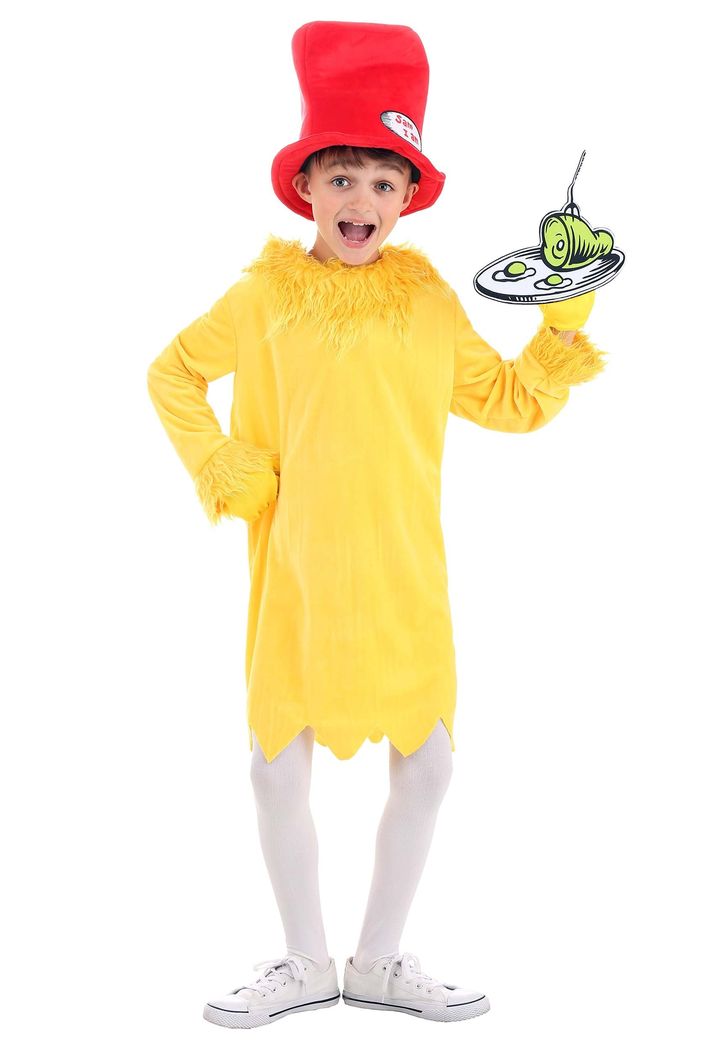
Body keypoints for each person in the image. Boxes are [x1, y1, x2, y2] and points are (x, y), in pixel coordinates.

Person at [146, 20, 606, 1030]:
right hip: (299, 571)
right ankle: (306, 959)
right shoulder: (265, 293)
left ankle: (383, 956)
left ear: (407, 197)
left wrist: (561, 316)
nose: (361, 202)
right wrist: (223, 462)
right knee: (276, 761)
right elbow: (172, 369)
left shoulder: (426, 300)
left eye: (382, 183)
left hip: (405, 572)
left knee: (431, 760)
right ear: (306, 186)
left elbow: (511, 400)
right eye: (342, 178)